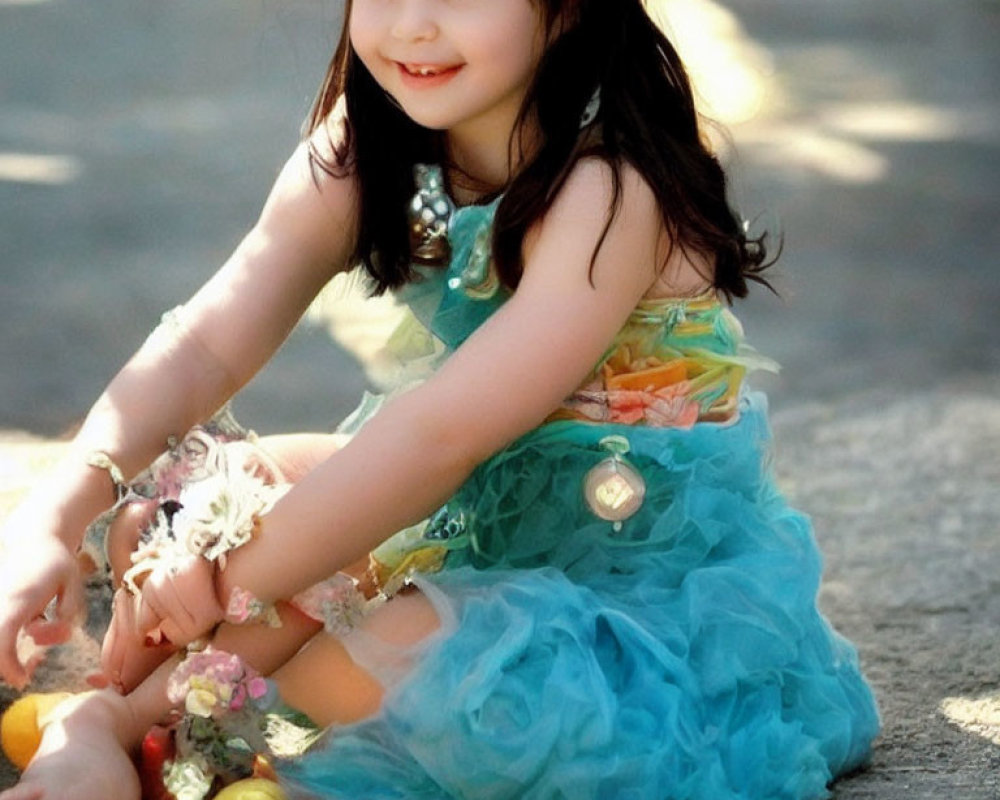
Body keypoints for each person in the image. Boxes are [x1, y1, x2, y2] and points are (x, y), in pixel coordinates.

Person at [0, 0, 880, 798]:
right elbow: (202, 344)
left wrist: (224, 579)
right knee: (176, 508)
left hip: (622, 562)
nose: (413, 25)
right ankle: (132, 723)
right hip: (463, 509)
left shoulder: (609, 187)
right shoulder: (369, 147)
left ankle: (155, 728)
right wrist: (50, 519)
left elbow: (438, 437)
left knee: (428, 670)